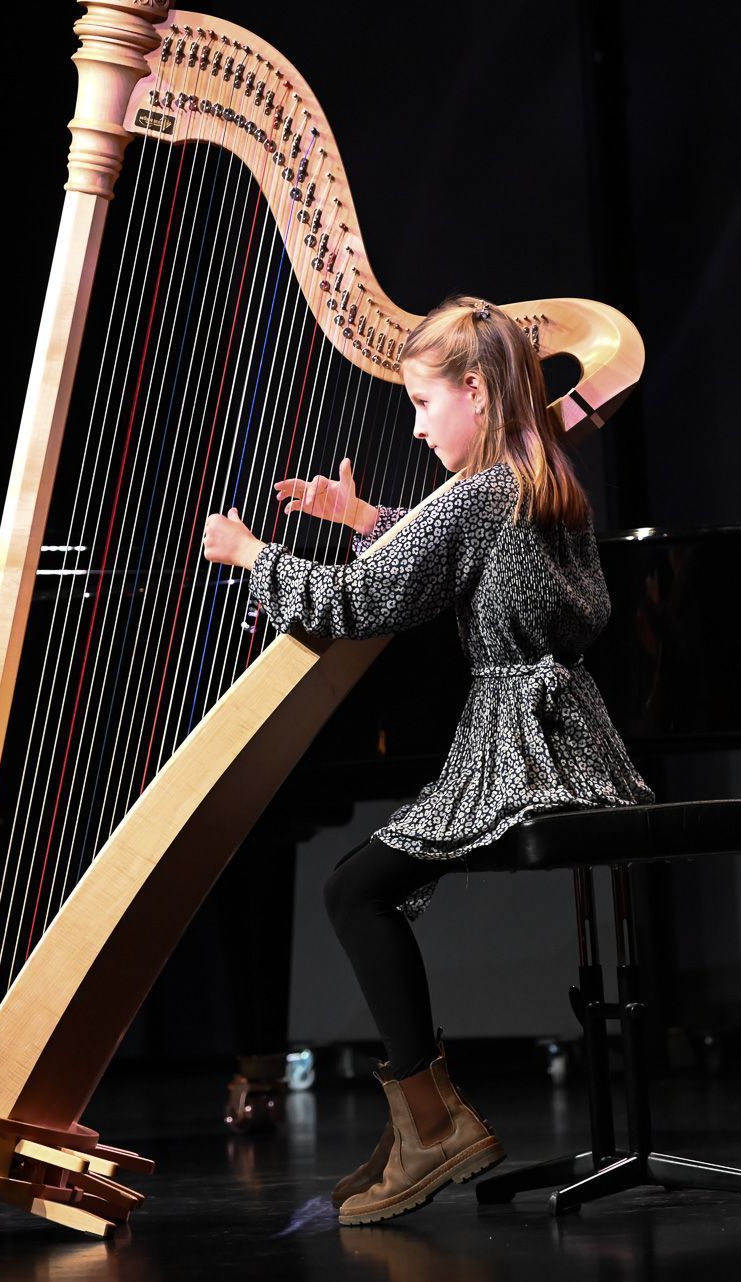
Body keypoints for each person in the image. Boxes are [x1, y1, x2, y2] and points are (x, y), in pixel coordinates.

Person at [200, 294, 655, 1225]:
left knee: (350, 890)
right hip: (579, 736)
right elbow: (455, 557)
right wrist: (368, 515)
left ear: (477, 392)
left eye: (421, 402)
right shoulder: (536, 477)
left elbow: (356, 604)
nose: (412, 425)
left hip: (522, 748)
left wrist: (253, 556)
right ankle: (423, 1116)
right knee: (358, 885)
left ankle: (429, 1120)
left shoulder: (482, 493)